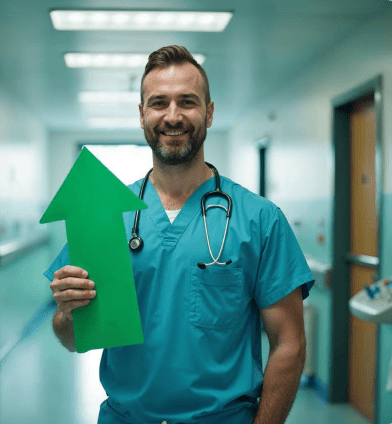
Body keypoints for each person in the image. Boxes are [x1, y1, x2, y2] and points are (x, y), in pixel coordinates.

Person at [44, 45, 315, 424]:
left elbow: (289, 344)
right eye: (159, 103)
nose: (172, 116)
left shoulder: (260, 219)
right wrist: (67, 313)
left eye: (187, 101)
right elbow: (73, 339)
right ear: (142, 115)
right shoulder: (104, 218)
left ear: (209, 111)